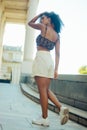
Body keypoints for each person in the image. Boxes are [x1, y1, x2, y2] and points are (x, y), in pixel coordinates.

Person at [28, 11, 69, 127]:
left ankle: (45, 119)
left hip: (41, 58)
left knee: (42, 91)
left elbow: (30, 23)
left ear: (49, 20)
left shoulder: (43, 27)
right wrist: (56, 69)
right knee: (45, 90)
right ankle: (61, 108)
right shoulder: (57, 36)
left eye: (43, 18)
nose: (41, 20)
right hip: (49, 61)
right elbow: (58, 54)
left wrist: (39, 13)